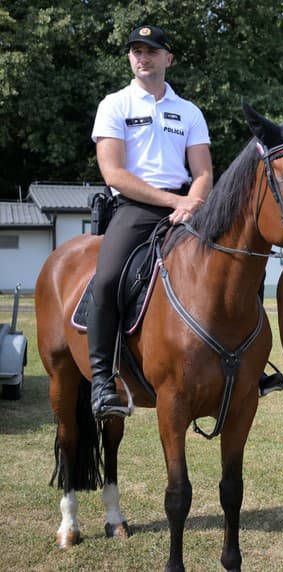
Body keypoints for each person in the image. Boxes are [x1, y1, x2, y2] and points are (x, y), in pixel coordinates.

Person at [88, 25, 213, 419]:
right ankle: (101, 382)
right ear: (129, 58)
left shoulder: (189, 111)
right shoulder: (115, 104)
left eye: (152, 51)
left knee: (238, 261)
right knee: (106, 281)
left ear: (167, 58)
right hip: (134, 209)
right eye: (136, 51)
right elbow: (114, 174)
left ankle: (248, 366)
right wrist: (173, 200)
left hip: (188, 210)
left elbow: (204, 172)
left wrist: (192, 204)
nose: (143, 57)